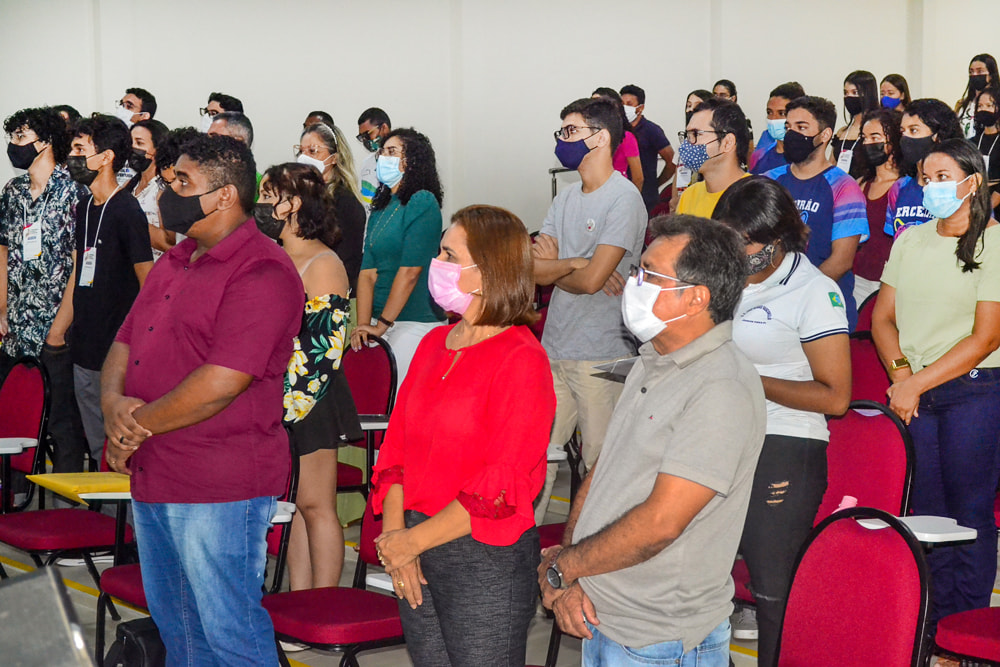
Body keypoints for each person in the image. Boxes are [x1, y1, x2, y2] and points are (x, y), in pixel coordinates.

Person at [102, 134, 303, 666]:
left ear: (224, 196)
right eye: (170, 181)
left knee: (230, 633)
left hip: (219, 482)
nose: (169, 193)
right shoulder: (177, 259)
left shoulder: (262, 270)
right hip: (157, 472)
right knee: (181, 633)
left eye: (182, 183)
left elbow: (222, 382)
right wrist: (112, 407)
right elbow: (124, 340)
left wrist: (133, 425)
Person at [537, 215, 765, 667]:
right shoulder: (651, 361)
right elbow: (603, 475)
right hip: (603, 610)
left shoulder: (720, 386)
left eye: (649, 274)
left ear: (696, 298)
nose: (633, 284)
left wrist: (567, 567)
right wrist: (569, 565)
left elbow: (662, 522)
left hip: (658, 639)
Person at [370, 204, 556, 667]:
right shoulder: (435, 343)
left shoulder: (521, 359)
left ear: (487, 270)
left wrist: (410, 543)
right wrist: (397, 539)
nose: (439, 264)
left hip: (482, 557)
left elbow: (501, 485)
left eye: (450, 255)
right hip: (413, 540)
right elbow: (395, 451)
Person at [712, 177, 851, 666]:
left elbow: (836, 397)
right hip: (722, 434)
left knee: (772, 591)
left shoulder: (814, 291)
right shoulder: (721, 278)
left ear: (778, 238)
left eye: (745, 240)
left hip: (785, 439)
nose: (736, 248)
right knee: (701, 575)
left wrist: (747, 378)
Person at [871, 139, 1000, 645]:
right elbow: (882, 319)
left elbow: (986, 336)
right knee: (927, 511)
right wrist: (903, 375)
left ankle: (961, 632)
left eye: (943, 176)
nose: (931, 187)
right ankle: (929, 625)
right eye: (925, 178)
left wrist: (914, 383)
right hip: (916, 391)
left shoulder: (994, 243)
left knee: (969, 511)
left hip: (974, 390)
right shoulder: (910, 240)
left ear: (972, 181)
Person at [255, 163, 361, 598]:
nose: (260, 203)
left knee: (317, 505)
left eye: (267, 194)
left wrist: (285, 405)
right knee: (295, 506)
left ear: (292, 203)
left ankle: (324, 602)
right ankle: (299, 601)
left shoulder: (323, 262)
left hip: (310, 397)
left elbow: (323, 349)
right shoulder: (270, 254)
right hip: (272, 393)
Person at [534, 96, 646, 494]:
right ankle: (527, 553)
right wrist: (578, 263)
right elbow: (533, 268)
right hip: (556, 348)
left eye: (571, 131)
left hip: (603, 353)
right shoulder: (565, 197)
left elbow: (593, 281)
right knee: (538, 458)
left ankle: (589, 554)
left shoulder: (624, 197)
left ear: (599, 138)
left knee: (599, 469)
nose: (562, 140)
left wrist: (565, 265)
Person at [0, 107, 88, 474]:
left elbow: (79, 263)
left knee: (61, 422)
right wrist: (1, 309)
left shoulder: (73, 192)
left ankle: (68, 507)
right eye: (12, 137)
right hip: (15, 324)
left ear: (47, 141)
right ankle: (14, 498)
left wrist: (58, 329)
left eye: (21, 137)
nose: (13, 145)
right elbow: (3, 249)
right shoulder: (14, 190)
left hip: (56, 325)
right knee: (12, 416)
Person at [67, 115, 153, 470]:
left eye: (79, 149)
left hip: (116, 348)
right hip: (84, 342)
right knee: (95, 440)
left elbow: (148, 282)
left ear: (106, 157)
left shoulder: (126, 209)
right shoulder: (85, 206)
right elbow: (79, 270)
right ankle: (102, 519)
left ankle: (125, 524)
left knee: (119, 446)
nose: (71, 156)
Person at [349, 128, 445, 388]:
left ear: (412, 161)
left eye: (392, 152)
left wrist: (381, 325)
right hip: (381, 321)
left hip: (414, 321)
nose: (383, 158)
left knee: (396, 399)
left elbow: (410, 271)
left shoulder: (422, 202)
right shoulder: (381, 207)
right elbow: (367, 273)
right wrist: (363, 325)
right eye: (382, 152)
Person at [763, 95, 868, 330]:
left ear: (825, 135)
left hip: (823, 308)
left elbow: (840, 261)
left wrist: (795, 295)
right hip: (771, 307)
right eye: (789, 127)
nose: (792, 134)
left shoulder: (844, 187)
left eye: (802, 128)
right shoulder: (770, 181)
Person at [295, 122, 365, 294]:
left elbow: (345, 262)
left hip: (332, 295)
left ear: (334, 158)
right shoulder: (302, 197)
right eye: (301, 151)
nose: (304, 158)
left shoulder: (345, 202)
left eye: (313, 151)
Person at [884, 98, 965, 237]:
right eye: (903, 131)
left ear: (938, 136)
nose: (905, 138)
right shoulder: (899, 188)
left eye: (913, 130)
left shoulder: (960, 187)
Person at [852, 108, 904, 305]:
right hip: (858, 278)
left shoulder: (904, 187)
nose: (868, 143)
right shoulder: (860, 184)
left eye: (875, 137)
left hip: (889, 281)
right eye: (864, 138)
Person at [675, 98, 750, 218]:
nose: (688, 144)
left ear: (727, 142)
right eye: (687, 135)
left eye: (696, 134)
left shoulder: (756, 197)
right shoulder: (689, 196)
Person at [620, 83, 676, 215]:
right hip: (622, 196)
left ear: (640, 108)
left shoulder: (652, 130)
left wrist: (656, 183)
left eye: (629, 104)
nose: (624, 108)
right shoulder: (618, 130)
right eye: (621, 103)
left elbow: (671, 161)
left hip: (646, 199)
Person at [126, 119, 175, 260]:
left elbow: (169, 243)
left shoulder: (164, 188)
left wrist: (131, 221)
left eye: (140, 143)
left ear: (158, 149)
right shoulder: (130, 185)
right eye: (131, 142)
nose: (133, 148)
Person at [667, 90, 714, 213]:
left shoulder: (712, 145)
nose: (690, 110)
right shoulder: (684, 143)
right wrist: (674, 200)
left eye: (696, 105)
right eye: (688, 105)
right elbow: (678, 173)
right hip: (681, 205)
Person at [592, 88, 642, 192]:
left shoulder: (626, 137)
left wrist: (630, 201)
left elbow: (638, 178)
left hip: (618, 192)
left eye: (598, 104)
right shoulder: (589, 134)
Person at [749, 82, 805, 175]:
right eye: (769, 112)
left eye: (781, 113)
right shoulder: (759, 156)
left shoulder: (806, 160)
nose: (773, 119)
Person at [832, 71, 879, 177]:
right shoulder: (842, 132)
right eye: (846, 93)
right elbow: (832, 165)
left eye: (855, 92)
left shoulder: (876, 131)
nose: (849, 97)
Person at [971, 86, 1000, 217]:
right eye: (980, 106)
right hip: (975, 200)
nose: (983, 110)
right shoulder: (972, 142)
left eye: (989, 105)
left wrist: (987, 207)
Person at [356, 107, 392, 210]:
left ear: (384, 128)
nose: (365, 140)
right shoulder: (367, 163)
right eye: (362, 137)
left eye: (368, 134)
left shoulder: (400, 163)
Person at [956, 54, 998, 138]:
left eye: (980, 71)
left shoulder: (997, 103)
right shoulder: (962, 105)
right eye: (971, 72)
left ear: (991, 75)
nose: (975, 75)